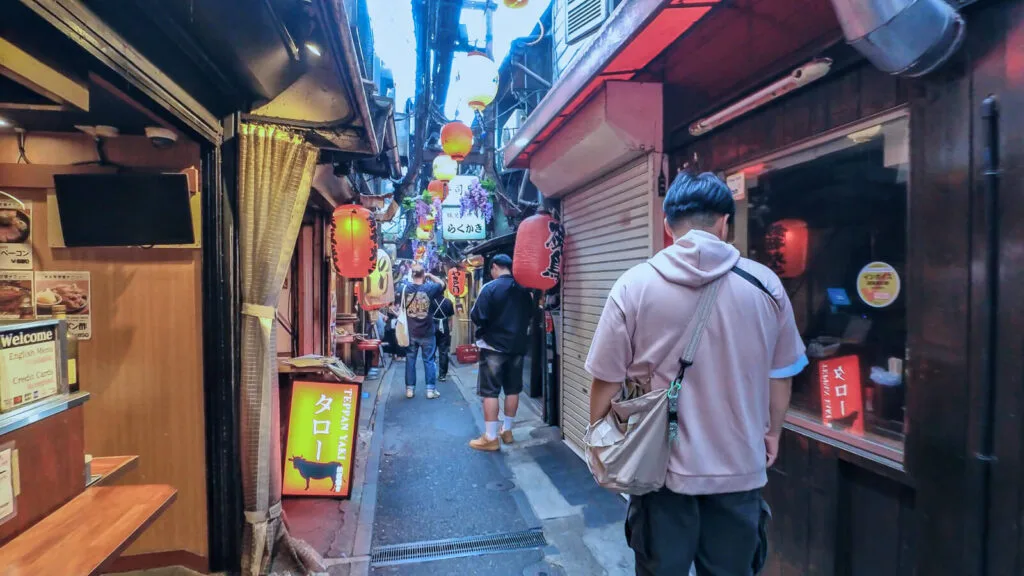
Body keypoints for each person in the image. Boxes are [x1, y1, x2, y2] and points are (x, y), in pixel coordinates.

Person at [586, 172, 807, 576]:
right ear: (725, 221)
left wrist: (600, 439)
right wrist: (772, 432)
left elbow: (605, 379)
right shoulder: (766, 286)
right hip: (740, 471)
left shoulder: (633, 286)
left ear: (667, 225)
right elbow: (781, 375)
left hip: (659, 473)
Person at [468, 254, 534, 451]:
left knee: (490, 392)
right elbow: (530, 314)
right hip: (517, 347)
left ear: (495, 267)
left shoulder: (490, 288)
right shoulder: (523, 289)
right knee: (513, 389)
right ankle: (507, 430)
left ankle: (490, 437)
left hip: (493, 347)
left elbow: (477, 316)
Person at [396, 263, 446, 399]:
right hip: (428, 332)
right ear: (423, 275)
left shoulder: (405, 288)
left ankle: (409, 390)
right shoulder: (430, 288)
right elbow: (442, 284)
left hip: (411, 332)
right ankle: (430, 390)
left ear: (412, 275)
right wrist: (430, 275)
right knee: (429, 360)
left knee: (410, 360)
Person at [432, 279, 456, 382]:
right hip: (444, 327)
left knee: (431, 351)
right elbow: (450, 319)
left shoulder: (430, 301)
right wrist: (450, 330)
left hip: (432, 326)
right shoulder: (448, 302)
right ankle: (442, 375)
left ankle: (431, 373)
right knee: (443, 351)